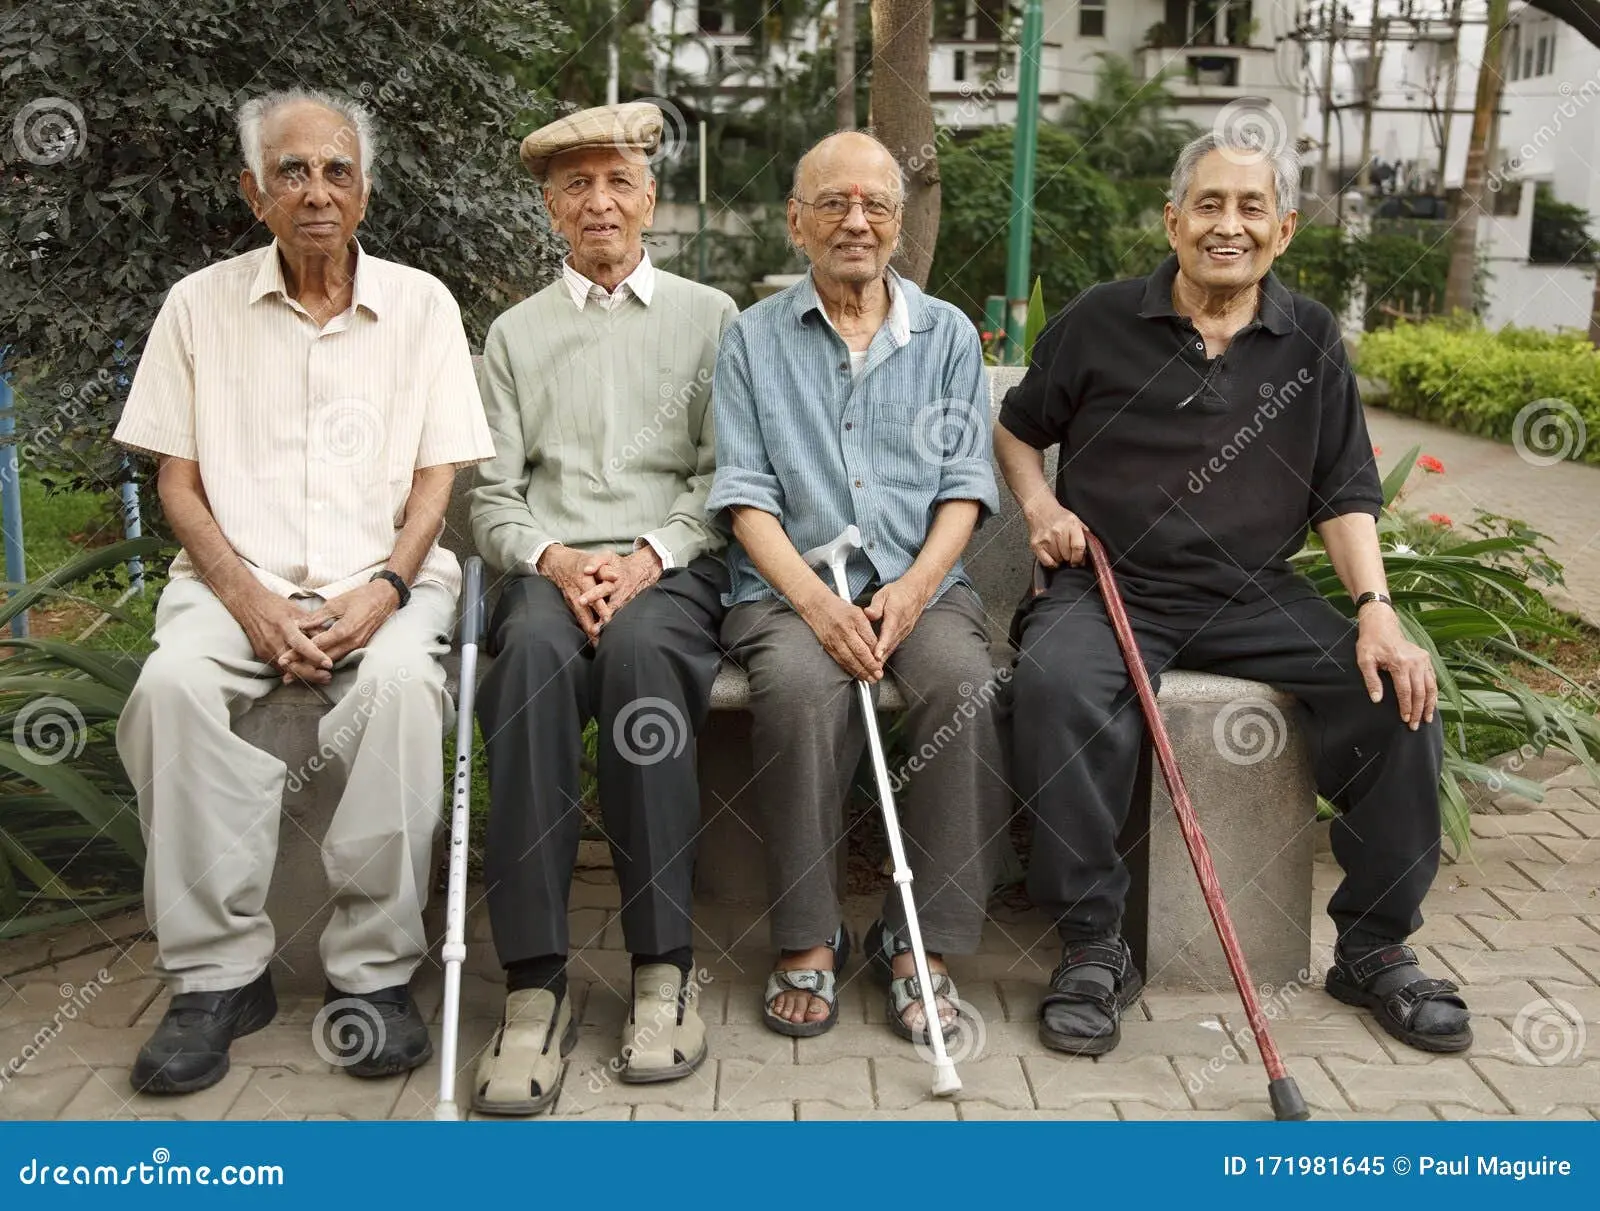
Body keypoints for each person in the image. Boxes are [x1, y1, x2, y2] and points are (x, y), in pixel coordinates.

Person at [996, 130, 1471, 1057]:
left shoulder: (1312, 337)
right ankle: (1093, 946)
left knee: (1398, 698)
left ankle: (1373, 948)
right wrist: (1041, 504)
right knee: (1054, 688)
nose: (1229, 225)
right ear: (1173, 221)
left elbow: (1344, 494)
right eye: (1209, 204)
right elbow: (1018, 431)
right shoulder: (1098, 320)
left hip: (1255, 593)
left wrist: (1378, 613)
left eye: (1251, 208)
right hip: (1110, 587)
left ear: (1283, 229)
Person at [115, 89, 495, 1094]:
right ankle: (216, 976)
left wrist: (385, 586)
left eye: (336, 171)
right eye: (292, 171)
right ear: (254, 192)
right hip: (231, 581)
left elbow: (435, 482)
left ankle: (373, 974)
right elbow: (177, 485)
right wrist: (249, 602)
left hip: (386, 579)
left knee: (406, 689)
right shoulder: (196, 307)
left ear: (363, 189)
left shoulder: (420, 304)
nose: (316, 191)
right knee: (170, 692)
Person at [707, 131, 1007, 1045]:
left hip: (920, 584)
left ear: (899, 223)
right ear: (797, 223)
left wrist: (914, 591)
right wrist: (815, 602)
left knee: (962, 682)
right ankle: (809, 936)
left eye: (876, 203)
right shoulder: (752, 339)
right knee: (800, 687)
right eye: (832, 202)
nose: (856, 220)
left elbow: (966, 484)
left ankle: (924, 944)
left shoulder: (947, 333)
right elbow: (744, 494)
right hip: (790, 587)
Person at [468, 102, 738, 1115]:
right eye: (577, 185)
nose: (600, 201)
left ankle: (663, 968)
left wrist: (648, 555)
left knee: (638, 659)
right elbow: (491, 490)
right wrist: (556, 555)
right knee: (529, 666)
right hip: (548, 569)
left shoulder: (710, 318)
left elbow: (728, 474)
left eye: (618, 181)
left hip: (670, 568)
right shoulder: (515, 333)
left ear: (650, 199)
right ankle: (533, 982)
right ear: (551, 206)